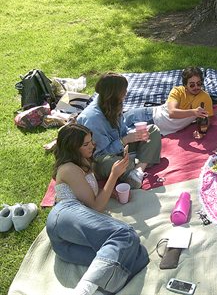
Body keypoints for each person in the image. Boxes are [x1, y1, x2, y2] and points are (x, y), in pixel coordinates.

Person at [46, 124, 149, 295]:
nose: (92, 146)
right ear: (73, 148)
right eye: (85, 144)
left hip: (68, 246)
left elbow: (91, 197)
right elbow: (96, 206)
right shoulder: (69, 169)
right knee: (125, 234)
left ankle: (97, 290)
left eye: (91, 142)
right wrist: (113, 175)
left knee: (138, 255)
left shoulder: (84, 162)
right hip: (64, 217)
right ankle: (83, 291)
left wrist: (112, 193)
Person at [77, 73, 161, 189]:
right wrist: (125, 140)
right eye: (123, 91)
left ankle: (138, 171)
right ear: (113, 94)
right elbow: (98, 154)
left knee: (152, 130)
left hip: (121, 149)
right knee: (109, 163)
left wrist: (133, 134)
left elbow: (122, 130)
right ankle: (138, 161)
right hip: (101, 159)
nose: (126, 94)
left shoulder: (114, 104)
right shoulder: (92, 119)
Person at [141, 66, 214, 136]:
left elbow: (208, 119)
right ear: (185, 85)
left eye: (199, 84)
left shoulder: (205, 98)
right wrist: (193, 112)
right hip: (149, 115)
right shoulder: (177, 91)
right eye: (192, 85)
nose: (196, 87)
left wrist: (202, 132)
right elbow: (172, 113)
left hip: (158, 130)